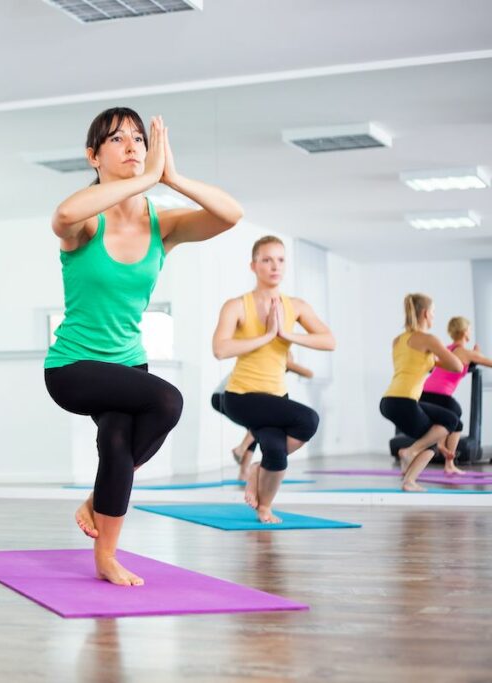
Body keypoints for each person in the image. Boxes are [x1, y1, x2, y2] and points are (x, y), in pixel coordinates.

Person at [44, 108, 243, 585]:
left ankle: (105, 554)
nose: (132, 145)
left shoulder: (163, 224)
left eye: (139, 137)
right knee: (167, 400)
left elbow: (231, 215)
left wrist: (170, 177)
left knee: (116, 442)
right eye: (117, 140)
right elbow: (63, 216)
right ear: (94, 156)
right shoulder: (87, 224)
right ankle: (101, 503)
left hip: (129, 363)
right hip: (73, 367)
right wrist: (143, 179)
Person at [212, 236, 335, 523]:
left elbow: (329, 341)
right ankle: (257, 472)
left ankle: (263, 504)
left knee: (276, 455)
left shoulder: (296, 306)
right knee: (308, 420)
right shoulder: (236, 306)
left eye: (280, 259)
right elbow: (220, 349)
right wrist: (266, 335)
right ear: (253, 265)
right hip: (241, 397)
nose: (274, 266)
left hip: (277, 397)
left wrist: (286, 334)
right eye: (266, 260)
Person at [379, 294, 464, 490]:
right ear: (426, 313)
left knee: (434, 441)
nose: (434, 317)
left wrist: (432, 359)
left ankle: (409, 480)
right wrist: (436, 357)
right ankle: (410, 452)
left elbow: (412, 365)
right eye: (433, 313)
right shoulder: (428, 339)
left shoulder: (398, 340)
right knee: (451, 421)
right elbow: (457, 366)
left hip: (389, 401)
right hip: (404, 401)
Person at [211, 350, 313, 481]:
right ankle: (242, 453)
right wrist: (288, 363)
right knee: (260, 421)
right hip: (224, 397)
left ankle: (243, 468)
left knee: (256, 424)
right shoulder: (265, 364)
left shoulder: (269, 370)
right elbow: (309, 373)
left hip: (224, 397)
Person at [418, 316, 490, 474]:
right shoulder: (465, 352)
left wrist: (474, 355)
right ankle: (446, 457)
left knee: (454, 422)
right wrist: (477, 355)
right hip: (439, 394)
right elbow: (488, 362)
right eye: (470, 329)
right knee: (456, 417)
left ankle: (445, 456)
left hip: (425, 392)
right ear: (465, 331)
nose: (470, 331)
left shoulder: (447, 348)